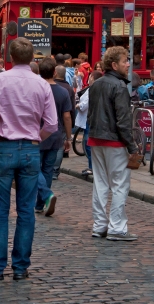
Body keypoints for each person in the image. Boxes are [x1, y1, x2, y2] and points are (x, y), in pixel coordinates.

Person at [0, 38, 57, 281]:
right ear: (32, 58)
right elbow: (52, 124)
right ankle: (20, 267)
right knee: (26, 211)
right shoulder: (41, 84)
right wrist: (36, 137)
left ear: (11, 58)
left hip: (3, 146)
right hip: (30, 149)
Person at [87, 46, 138, 242]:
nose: (128, 64)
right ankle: (117, 227)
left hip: (96, 138)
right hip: (115, 141)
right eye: (125, 61)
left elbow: (92, 113)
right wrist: (132, 147)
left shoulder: (96, 84)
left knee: (100, 183)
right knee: (119, 185)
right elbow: (123, 121)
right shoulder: (119, 87)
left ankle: (99, 225)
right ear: (114, 64)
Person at [35, 59, 72, 218]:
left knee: (34, 169)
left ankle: (46, 196)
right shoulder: (63, 92)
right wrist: (68, 137)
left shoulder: (36, 89)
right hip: (55, 134)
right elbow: (67, 116)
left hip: (37, 134)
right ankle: (41, 202)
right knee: (48, 170)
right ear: (55, 73)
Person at [75, 70, 102, 176]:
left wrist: (78, 106)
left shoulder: (93, 90)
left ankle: (92, 167)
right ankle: (92, 166)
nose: (89, 78)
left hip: (89, 119)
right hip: (89, 119)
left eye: (90, 76)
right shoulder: (91, 89)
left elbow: (85, 103)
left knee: (88, 144)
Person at [53, 64, 76, 176]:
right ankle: (55, 170)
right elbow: (70, 110)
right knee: (59, 147)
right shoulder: (69, 89)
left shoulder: (50, 86)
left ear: (55, 73)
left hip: (50, 122)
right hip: (62, 123)